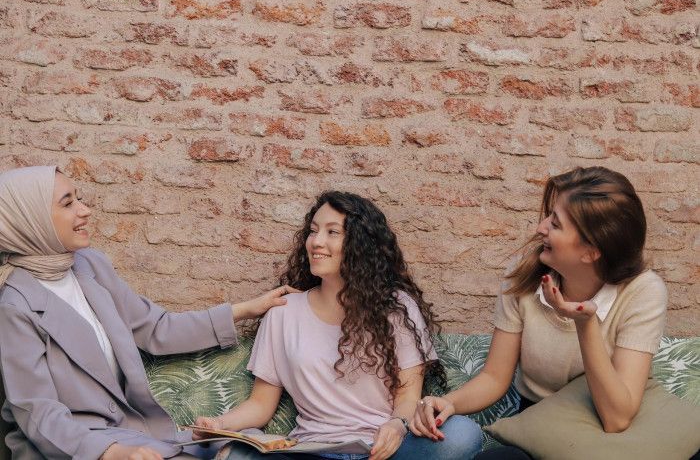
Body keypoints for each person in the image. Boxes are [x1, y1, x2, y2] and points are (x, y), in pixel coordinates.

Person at [0, 166, 298, 460]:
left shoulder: (89, 264)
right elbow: (38, 413)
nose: (85, 210)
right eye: (68, 203)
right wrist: (111, 453)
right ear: (31, 219)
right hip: (79, 446)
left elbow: (156, 328)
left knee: (252, 447)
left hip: (135, 431)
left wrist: (246, 310)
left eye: (79, 198)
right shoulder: (15, 305)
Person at [193, 191, 483, 460]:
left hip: (383, 451)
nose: (316, 242)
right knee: (236, 449)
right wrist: (218, 424)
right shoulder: (283, 312)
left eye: (332, 232)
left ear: (361, 245)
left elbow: (408, 396)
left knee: (462, 435)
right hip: (312, 450)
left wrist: (396, 426)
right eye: (313, 231)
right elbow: (260, 404)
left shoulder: (397, 307)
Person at [409, 166, 669, 458]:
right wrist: (449, 403)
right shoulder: (523, 275)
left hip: (605, 424)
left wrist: (585, 325)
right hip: (539, 425)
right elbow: (495, 377)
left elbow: (617, 418)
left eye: (555, 224)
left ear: (590, 251)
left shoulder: (644, 291)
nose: (540, 228)